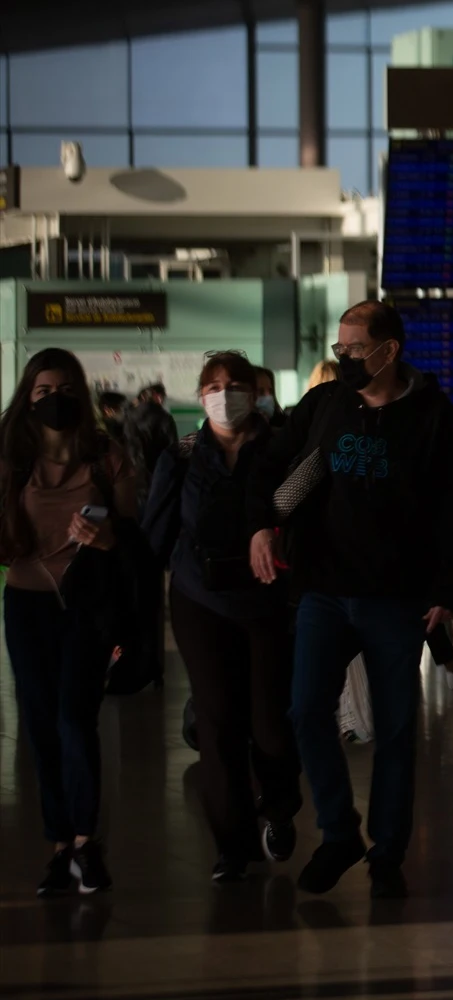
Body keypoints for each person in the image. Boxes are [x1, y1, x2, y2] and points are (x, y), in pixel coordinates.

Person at [247, 300, 453, 899]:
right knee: (305, 712)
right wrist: (258, 523)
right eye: (339, 351)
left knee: (396, 728)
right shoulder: (326, 406)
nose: (344, 359)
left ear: (389, 350)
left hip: (396, 598)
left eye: (353, 350)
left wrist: (451, 589)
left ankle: (388, 851)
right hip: (324, 588)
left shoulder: (431, 415)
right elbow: (274, 463)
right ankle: (338, 833)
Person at [142, 351, 301, 882]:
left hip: (269, 600)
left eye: (237, 384)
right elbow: (155, 538)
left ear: (255, 392)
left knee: (270, 723)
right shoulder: (181, 457)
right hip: (200, 601)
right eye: (215, 385)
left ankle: (278, 808)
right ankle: (233, 845)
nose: (226, 393)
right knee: (217, 722)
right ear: (201, 393)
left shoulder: (282, 451)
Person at [0, 348, 141, 895]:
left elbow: (133, 539)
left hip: (87, 607)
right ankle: (59, 844)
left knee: (73, 719)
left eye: (63, 391)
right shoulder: (11, 458)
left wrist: (106, 540)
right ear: (27, 398)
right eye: (42, 392)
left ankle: (86, 843)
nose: (53, 400)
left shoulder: (107, 458)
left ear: (79, 395)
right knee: (39, 726)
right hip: (27, 604)